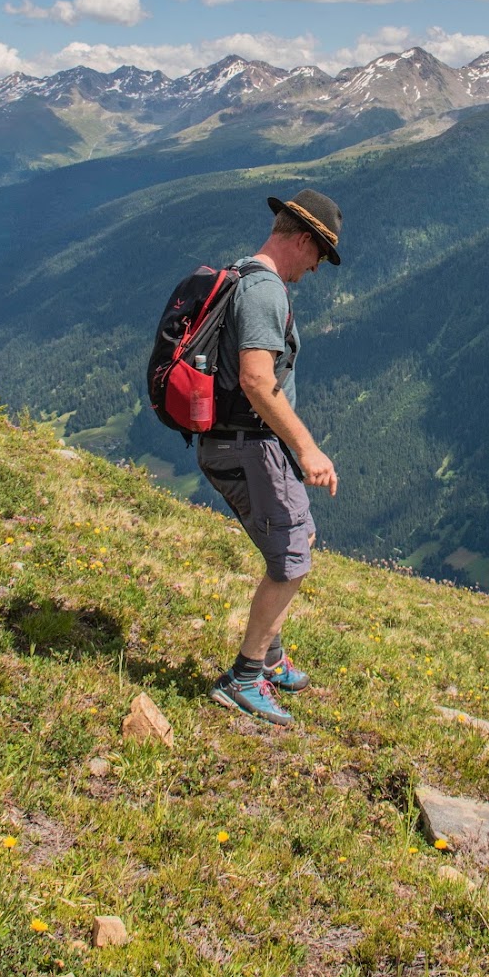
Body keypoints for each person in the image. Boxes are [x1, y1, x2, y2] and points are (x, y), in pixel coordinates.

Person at [198, 187, 342, 725]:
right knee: (292, 558)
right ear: (302, 239)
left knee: (296, 538)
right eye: (319, 256)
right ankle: (244, 676)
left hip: (243, 443)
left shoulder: (241, 275)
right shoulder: (265, 293)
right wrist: (308, 449)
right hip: (251, 446)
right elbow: (258, 380)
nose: (316, 268)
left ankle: (272, 657)